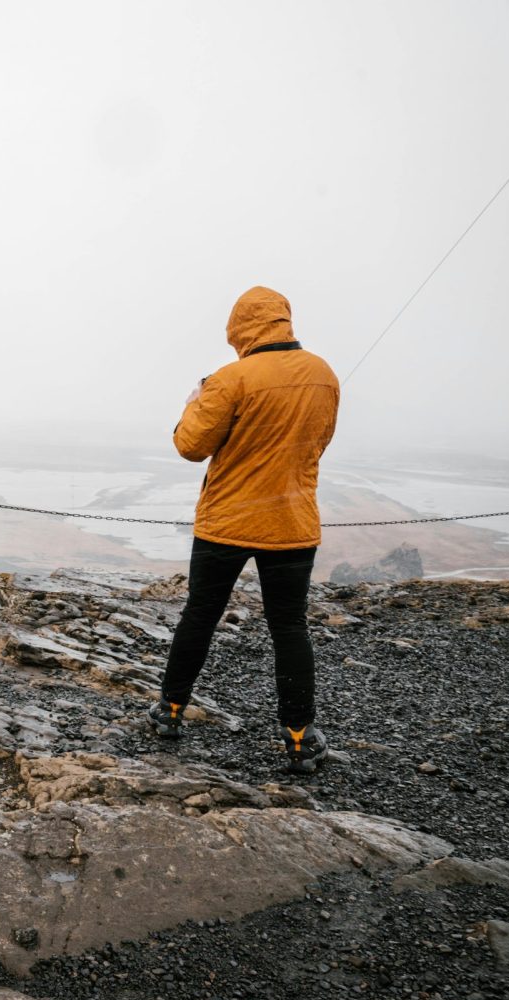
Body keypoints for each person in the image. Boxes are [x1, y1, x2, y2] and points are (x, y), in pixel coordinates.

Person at [149, 286, 340, 773]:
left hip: (226, 523)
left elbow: (191, 445)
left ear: (239, 327)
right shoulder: (324, 375)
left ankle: (170, 712)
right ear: (283, 320)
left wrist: (194, 401)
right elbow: (317, 443)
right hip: (292, 524)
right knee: (290, 627)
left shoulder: (229, 378)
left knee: (200, 615)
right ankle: (299, 735)